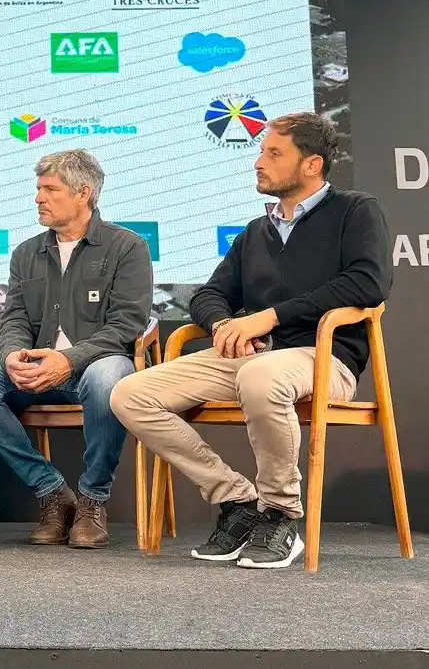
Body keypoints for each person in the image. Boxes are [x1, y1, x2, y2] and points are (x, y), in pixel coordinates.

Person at [111, 113, 391, 569]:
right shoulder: (254, 232)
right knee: (130, 393)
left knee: (263, 375)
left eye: (273, 153)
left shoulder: (355, 211)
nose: (258, 162)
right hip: (256, 360)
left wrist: (267, 318)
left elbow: (367, 283)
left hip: (325, 358)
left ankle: (281, 513)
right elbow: (210, 295)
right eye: (261, 151)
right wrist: (223, 327)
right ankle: (238, 500)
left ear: (312, 164)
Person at [0, 150, 153, 549]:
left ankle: (92, 502)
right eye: (38, 189)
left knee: (109, 376)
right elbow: (13, 319)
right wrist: (10, 354)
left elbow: (126, 325)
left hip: (92, 366)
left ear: (83, 193)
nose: (38, 198)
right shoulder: (26, 253)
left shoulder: (127, 247)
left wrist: (68, 358)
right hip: (35, 365)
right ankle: (51, 491)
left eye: (50, 189)